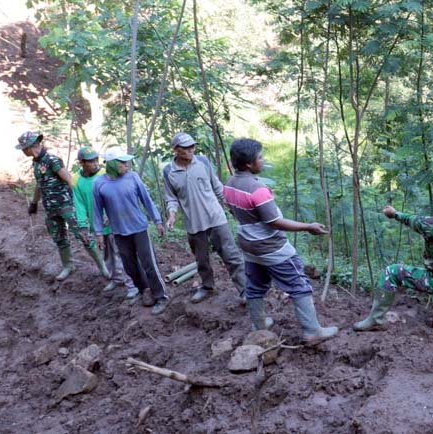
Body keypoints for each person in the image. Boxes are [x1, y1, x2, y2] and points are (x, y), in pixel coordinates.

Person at [223, 138, 337, 345]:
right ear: (249, 164)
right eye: (260, 157)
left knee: (255, 285)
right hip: (271, 246)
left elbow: (232, 210)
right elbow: (274, 222)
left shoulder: (229, 184)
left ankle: (260, 325)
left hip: (248, 244)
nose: (263, 160)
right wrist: (308, 226)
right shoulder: (257, 189)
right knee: (299, 284)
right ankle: (312, 331)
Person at [353, 180, 433, 350]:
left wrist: (393, 213)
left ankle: (377, 319)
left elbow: (410, 219)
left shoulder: (430, 224)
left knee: (392, 272)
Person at [163, 132, 247, 304]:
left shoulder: (203, 162)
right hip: (193, 222)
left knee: (231, 256)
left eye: (192, 146)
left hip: (215, 217)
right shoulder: (168, 171)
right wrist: (172, 214)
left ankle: (245, 291)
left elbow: (217, 187)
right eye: (186, 148)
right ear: (176, 150)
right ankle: (207, 287)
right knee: (201, 259)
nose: (190, 150)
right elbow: (171, 197)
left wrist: (230, 206)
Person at [17, 131, 109, 281]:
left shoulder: (52, 160)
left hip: (66, 205)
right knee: (59, 238)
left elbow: (70, 181)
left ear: (29, 147)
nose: (23, 151)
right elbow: (40, 185)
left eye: (23, 148)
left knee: (83, 236)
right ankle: (68, 266)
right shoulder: (36, 162)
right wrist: (34, 203)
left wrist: (79, 204)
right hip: (50, 208)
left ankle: (102, 267)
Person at [92, 146, 170, 315]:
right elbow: (97, 211)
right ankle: (144, 290)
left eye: (127, 163)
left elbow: (146, 200)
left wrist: (157, 221)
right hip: (119, 232)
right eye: (123, 163)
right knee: (130, 266)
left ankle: (161, 296)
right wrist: (98, 233)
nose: (127, 166)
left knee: (149, 264)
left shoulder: (133, 178)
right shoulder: (99, 184)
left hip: (139, 228)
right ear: (112, 164)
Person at [72, 146, 137, 299]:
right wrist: (83, 225)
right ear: (81, 163)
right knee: (107, 253)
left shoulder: (105, 174)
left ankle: (132, 284)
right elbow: (79, 204)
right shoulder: (76, 180)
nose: (95, 164)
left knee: (121, 252)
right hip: (97, 223)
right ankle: (116, 279)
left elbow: (117, 194)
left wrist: (112, 213)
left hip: (114, 220)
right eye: (90, 161)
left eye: (96, 160)